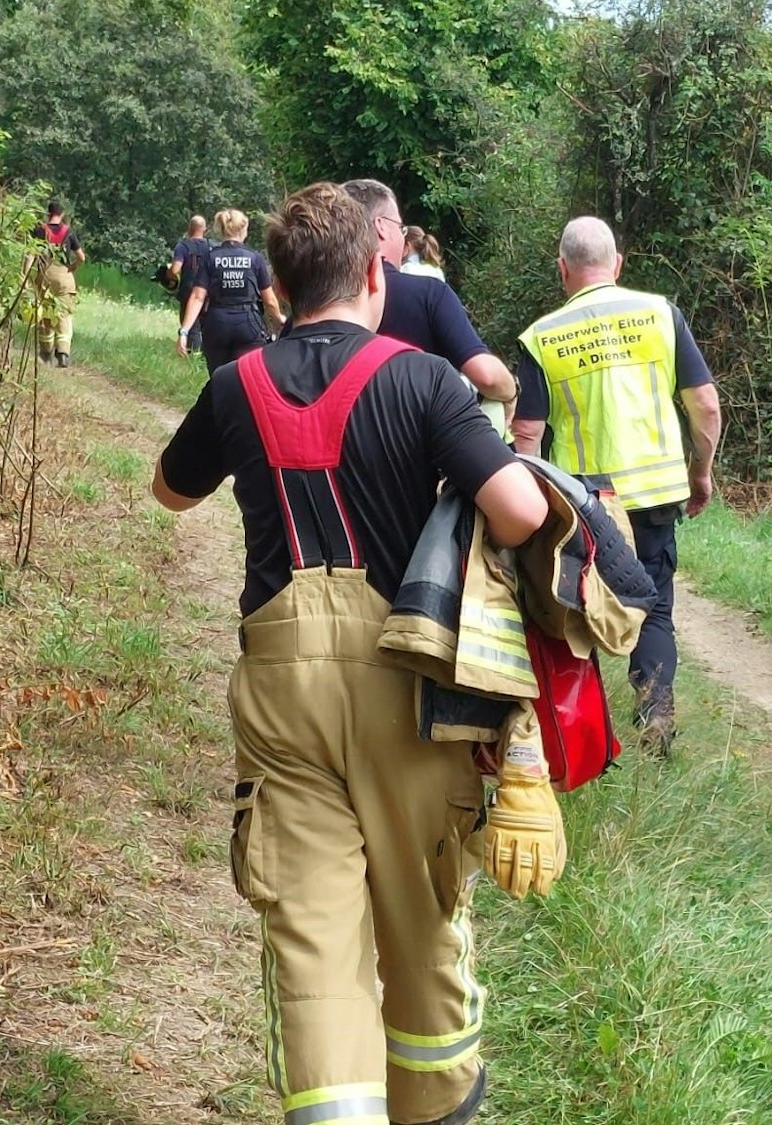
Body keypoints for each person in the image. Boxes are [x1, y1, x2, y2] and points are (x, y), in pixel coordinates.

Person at [152, 182, 548, 1125]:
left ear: (278, 291)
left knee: (314, 929)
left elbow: (170, 493)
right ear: (377, 271)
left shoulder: (233, 383)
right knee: (419, 909)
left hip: (281, 684)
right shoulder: (421, 379)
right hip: (408, 681)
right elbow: (523, 513)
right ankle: (437, 1102)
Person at [511, 216, 722, 754]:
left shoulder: (541, 336)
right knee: (652, 604)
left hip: (585, 503)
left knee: (576, 608)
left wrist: (529, 507)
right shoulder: (659, 313)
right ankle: (654, 707)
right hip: (654, 493)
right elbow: (705, 404)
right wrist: (700, 471)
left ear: (563, 269)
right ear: (618, 263)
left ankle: (583, 733)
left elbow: (528, 432)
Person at [338, 181, 517, 429]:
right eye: (400, 228)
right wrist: (511, 390)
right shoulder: (428, 294)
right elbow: (487, 375)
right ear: (381, 227)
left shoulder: (316, 307)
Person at [176, 209, 286, 373]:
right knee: (248, 379)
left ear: (221, 230)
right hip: (249, 325)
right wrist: (279, 319)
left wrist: (184, 331)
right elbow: (269, 300)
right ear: (244, 230)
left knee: (217, 378)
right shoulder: (255, 258)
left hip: (216, 325)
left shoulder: (210, 257)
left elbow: (198, 297)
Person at [31, 200, 85, 368]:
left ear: (48, 214)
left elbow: (30, 256)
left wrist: (24, 276)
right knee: (64, 315)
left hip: (44, 275)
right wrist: (72, 267)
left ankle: (45, 353)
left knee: (45, 314)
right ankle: (62, 354)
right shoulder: (68, 232)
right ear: (62, 215)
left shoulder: (39, 230)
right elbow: (81, 257)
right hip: (64, 277)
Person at [168, 214, 212, 354]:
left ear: (189, 228)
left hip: (188, 291)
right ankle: (205, 355)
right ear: (204, 228)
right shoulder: (212, 246)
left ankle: (193, 354)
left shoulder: (183, 246)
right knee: (206, 325)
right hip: (208, 292)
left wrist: (168, 274)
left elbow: (175, 269)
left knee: (190, 325)